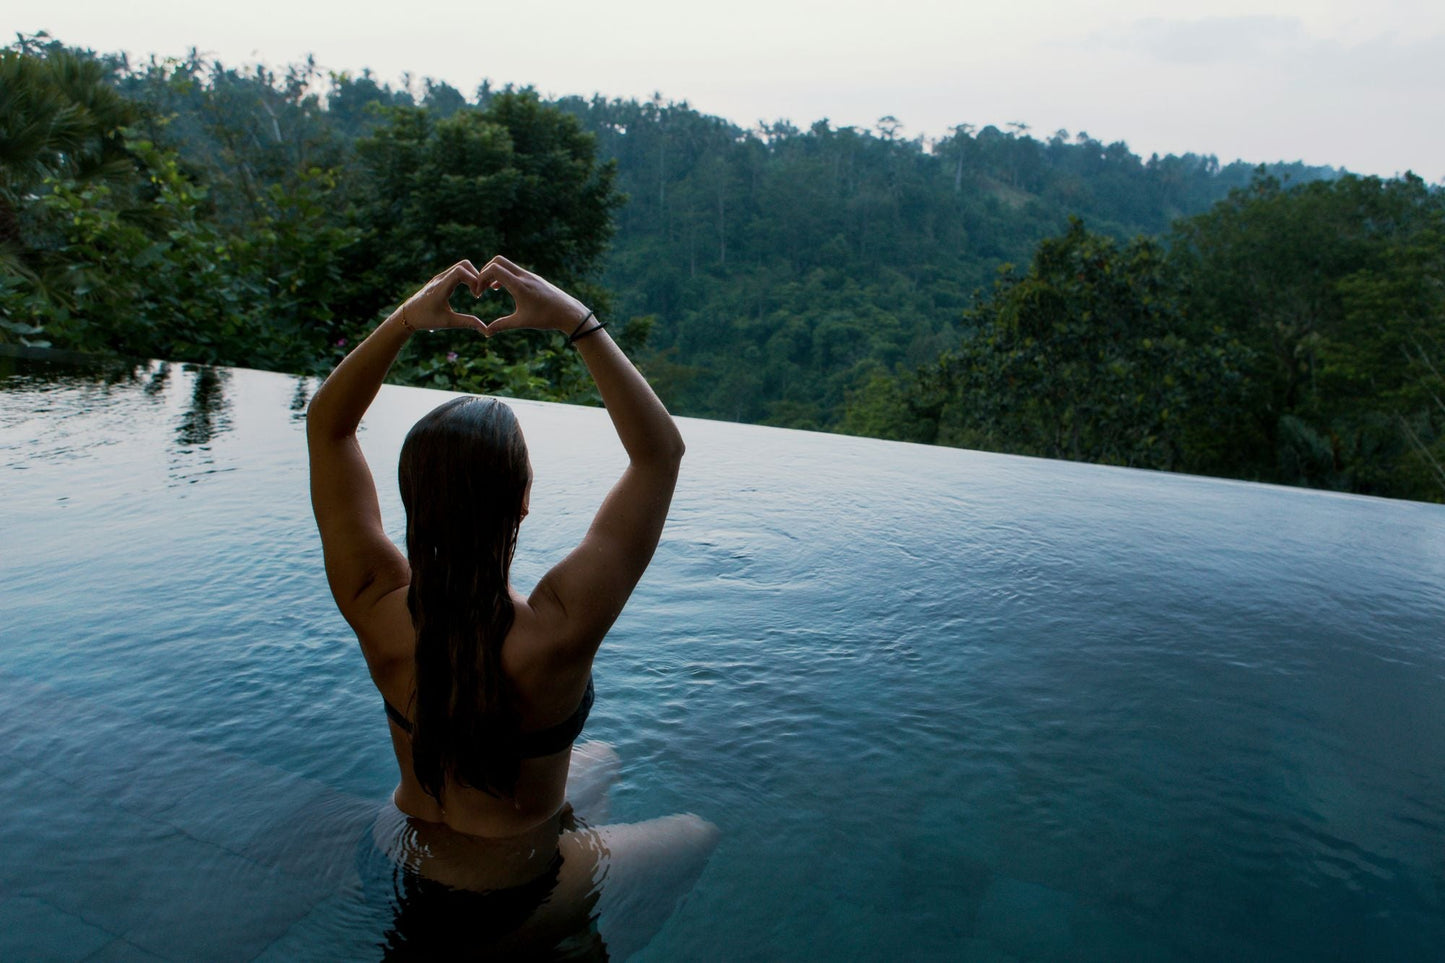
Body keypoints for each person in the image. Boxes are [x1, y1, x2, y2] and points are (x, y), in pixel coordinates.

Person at [307, 256, 718, 958]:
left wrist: (408, 318)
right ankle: (545, 937)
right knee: (697, 834)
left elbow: (327, 425)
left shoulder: (374, 600)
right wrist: (576, 321)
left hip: (393, 853)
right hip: (507, 892)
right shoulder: (558, 626)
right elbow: (659, 455)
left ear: (412, 502)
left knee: (604, 760)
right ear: (522, 500)